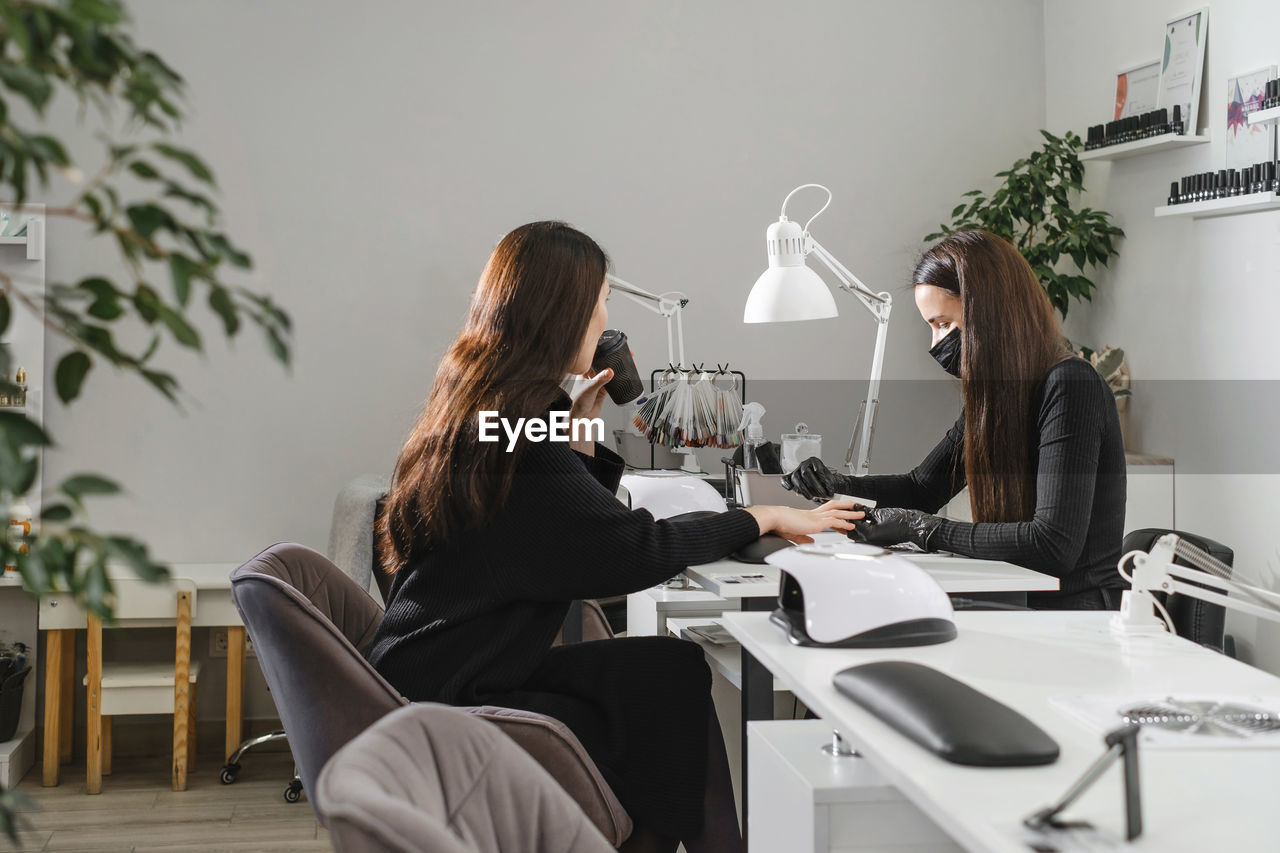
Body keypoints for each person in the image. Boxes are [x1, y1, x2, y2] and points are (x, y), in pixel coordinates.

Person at [366, 221, 863, 852]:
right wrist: (758, 518)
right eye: (602, 302)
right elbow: (630, 552)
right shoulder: (516, 428)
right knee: (660, 701)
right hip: (457, 701)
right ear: (566, 312)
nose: (606, 323)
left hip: (435, 673)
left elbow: (575, 534)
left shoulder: (489, 407)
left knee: (665, 671)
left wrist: (580, 442)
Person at [782, 230, 1127, 610]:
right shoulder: (995, 397)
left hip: (1076, 616)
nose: (935, 345)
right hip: (1019, 597)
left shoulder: (1070, 384)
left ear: (990, 312)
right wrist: (836, 484)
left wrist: (924, 529)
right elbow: (922, 489)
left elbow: (1052, 545)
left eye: (943, 324)